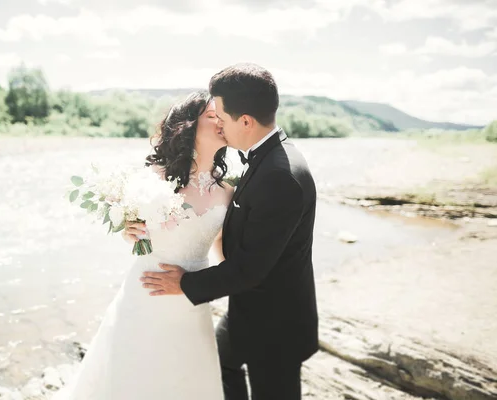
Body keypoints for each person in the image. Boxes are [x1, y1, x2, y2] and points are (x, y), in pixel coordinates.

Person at [139, 63, 319, 400]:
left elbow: (250, 268)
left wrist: (184, 283)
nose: (218, 122)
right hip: (249, 313)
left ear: (246, 122)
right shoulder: (266, 159)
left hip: (276, 328)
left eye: (221, 115)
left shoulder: (280, 174)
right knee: (218, 365)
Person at [54, 90, 233, 400]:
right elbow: (129, 226)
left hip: (193, 301)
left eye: (222, 116)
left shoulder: (228, 193)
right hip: (147, 292)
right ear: (189, 125)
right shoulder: (150, 179)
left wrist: (241, 285)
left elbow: (224, 249)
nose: (219, 121)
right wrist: (130, 230)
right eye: (210, 116)